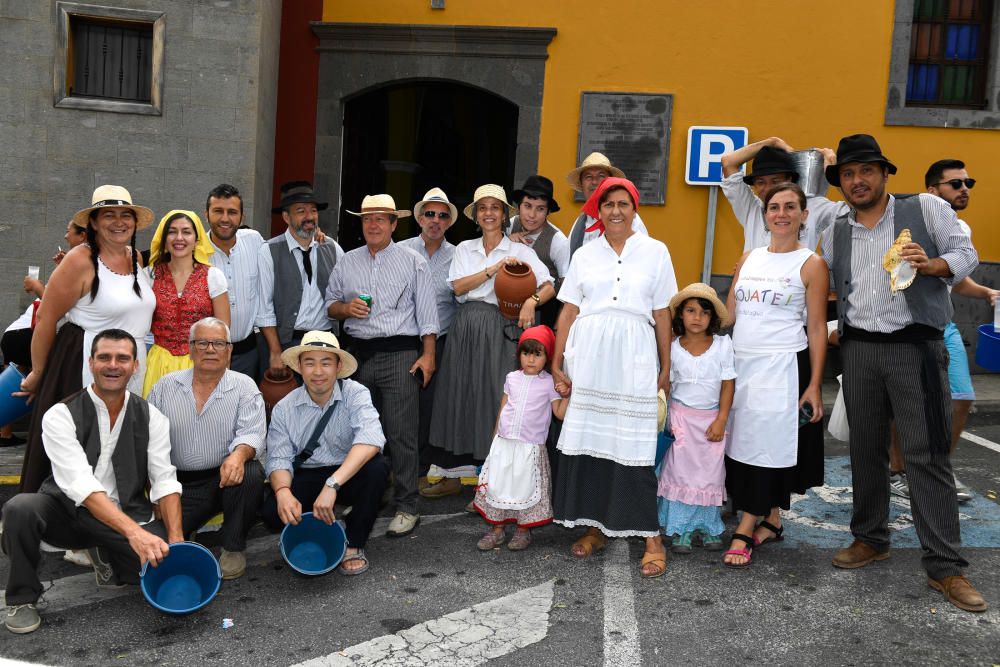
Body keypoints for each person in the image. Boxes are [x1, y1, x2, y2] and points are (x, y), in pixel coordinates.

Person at [821, 134, 986, 612]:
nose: (857, 181)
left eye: (866, 171)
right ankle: (871, 537)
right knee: (865, 451)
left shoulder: (927, 210)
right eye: (849, 174)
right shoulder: (836, 228)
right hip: (860, 351)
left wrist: (935, 265)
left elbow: (966, 254)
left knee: (926, 454)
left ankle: (945, 566)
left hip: (916, 347)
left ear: (884, 173)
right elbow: (830, 283)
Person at [2, 330, 183, 634]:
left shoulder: (152, 417)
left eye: (122, 358)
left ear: (135, 366)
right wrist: (135, 535)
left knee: (159, 564)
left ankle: (103, 551)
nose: (113, 365)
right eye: (104, 357)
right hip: (66, 510)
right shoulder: (60, 414)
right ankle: (22, 597)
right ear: (91, 362)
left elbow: (164, 479)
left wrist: (177, 541)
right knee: (19, 509)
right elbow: (81, 485)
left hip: (124, 510)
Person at [550, 177, 676, 578]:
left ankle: (651, 537)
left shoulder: (656, 251)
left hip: (634, 352)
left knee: (635, 445)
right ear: (598, 211)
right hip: (589, 355)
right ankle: (596, 525)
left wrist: (666, 366)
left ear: (635, 208)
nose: (616, 211)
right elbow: (569, 310)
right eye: (608, 205)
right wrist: (557, 361)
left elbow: (661, 313)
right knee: (593, 442)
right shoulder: (586, 254)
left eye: (623, 204)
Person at [17, 186, 157, 493]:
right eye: (109, 215)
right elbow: (46, 318)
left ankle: (109, 518)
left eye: (125, 215)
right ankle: (62, 525)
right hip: (84, 362)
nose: (119, 222)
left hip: (130, 366)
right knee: (80, 447)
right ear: (93, 222)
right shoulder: (80, 260)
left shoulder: (134, 257)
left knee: (116, 447)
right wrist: (39, 373)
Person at [421, 185, 555, 499]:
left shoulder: (521, 250)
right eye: (483, 208)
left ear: (504, 213)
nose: (489, 213)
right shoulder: (464, 249)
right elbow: (457, 287)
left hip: (501, 326)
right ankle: (459, 473)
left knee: (496, 397)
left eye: (495, 207)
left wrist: (532, 301)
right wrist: (491, 269)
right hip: (466, 324)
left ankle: (493, 479)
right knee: (462, 394)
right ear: (476, 215)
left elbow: (548, 284)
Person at [723, 184, 828, 568]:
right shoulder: (749, 257)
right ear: (765, 215)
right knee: (741, 442)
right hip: (741, 364)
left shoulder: (811, 264)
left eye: (790, 207)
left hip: (782, 367)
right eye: (773, 207)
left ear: (804, 215)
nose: (780, 213)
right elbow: (729, 315)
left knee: (767, 446)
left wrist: (815, 384)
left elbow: (816, 327)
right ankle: (772, 518)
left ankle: (746, 524)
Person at [326, 194, 439, 538]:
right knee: (358, 431)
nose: (373, 224)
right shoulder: (346, 261)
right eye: (367, 219)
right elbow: (330, 305)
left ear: (393, 224)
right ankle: (364, 495)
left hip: (401, 353)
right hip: (357, 355)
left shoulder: (412, 261)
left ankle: (407, 505)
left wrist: (428, 355)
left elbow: (428, 313)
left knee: (401, 432)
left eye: (381, 219)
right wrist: (346, 310)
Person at [888, 159, 996, 503]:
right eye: (956, 184)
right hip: (910, 324)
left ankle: (937, 470)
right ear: (933, 192)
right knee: (905, 403)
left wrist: (988, 292)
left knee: (961, 398)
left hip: (944, 324)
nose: (965, 189)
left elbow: (956, 281)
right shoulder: (912, 223)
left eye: (969, 183)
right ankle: (897, 471)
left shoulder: (960, 229)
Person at [261, 331, 389, 576]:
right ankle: (322, 523)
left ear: (339, 366)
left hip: (347, 471)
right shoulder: (285, 408)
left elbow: (371, 440)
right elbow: (278, 458)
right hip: (308, 473)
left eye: (326, 362)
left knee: (377, 469)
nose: (317, 371)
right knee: (272, 512)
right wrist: (283, 492)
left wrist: (332, 485)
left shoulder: (356, 393)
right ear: (299, 366)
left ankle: (354, 543)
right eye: (310, 362)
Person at [147, 317, 266, 580]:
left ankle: (233, 546)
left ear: (229, 350)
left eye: (218, 343)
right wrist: (155, 493)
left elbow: (252, 434)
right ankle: (183, 528)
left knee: (251, 472)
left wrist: (238, 454)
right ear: (190, 349)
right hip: (176, 486)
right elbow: (148, 445)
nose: (210, 349)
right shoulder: (165, 387)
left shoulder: (244, 386)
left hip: (223, 479)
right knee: (152, 551)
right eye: (202, 343)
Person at [657, 284, 735, 554]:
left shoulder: (723, 346)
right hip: (681, 419)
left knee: (709, 475)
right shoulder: (673, 348)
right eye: (690, 311)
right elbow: (666, 385)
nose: (697, 317)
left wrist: (722, 418)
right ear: (680, 315)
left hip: (711, 420)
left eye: (704, 312)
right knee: (680, 474)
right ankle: (681, 529)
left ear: (712, 318)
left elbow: (728, 384)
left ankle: (707, 526)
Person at [474, 325, 567, 551]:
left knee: (524, 487)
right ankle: (497, 530)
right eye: (526, 353)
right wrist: (495, 437)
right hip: (505, 443)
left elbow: (559, 414)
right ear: (519, 355)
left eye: (538, 354)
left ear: (548, 356)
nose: (531, 360)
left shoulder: (549, 383)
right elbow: (504, 406)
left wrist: (569, 394)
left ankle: (523, 531)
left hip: (530, 446)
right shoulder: (511, 378)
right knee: (500, 485)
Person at [1, 220, 88, 447]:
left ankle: (6, 433)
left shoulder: (81, 263)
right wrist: (38, 285)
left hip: (18, 335)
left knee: (24, 384)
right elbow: (54, 306)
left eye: (68, 232)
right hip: (24, 335)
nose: (65, 236)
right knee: (39, 383)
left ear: (83, 235)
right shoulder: (78, 263)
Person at [398, 188, 459, 489]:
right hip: (407, 340)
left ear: (449, 222)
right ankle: (397, 469)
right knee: (401, 407)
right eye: (430, 214)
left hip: (443, 342)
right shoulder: (400, 250)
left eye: (442, 215)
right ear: (420, 218)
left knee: (432, 408)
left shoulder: (459, 256)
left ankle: (422, 471)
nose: (435, 220)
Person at [258, 181, 344, 379]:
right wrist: (275, 351)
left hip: (325, 342)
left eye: (313, 211)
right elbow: (264, 308)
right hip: (288, 343)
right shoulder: (269, 251)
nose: (309, 217)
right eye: (301, 211)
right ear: (286, 217)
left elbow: (349, 287)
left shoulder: (332, 248)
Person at [142, 210, 230, 397]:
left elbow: (224, 333)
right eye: (172, 232)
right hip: (159, 362)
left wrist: (224, 375)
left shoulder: (213, 276)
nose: (179, 238)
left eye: (186, 232)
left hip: (202, 363)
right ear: (164, 238)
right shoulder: (149, 275)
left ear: (197, 239)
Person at [720, 136, 845, 252]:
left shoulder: (812, 206)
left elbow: (856, 212)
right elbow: (728, 162)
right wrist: (772, 142)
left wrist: (834, 176)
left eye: (775, 181)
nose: (768, 188)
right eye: (761, 182)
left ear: (789, 179)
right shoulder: (751, 208)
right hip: (753, 276)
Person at [205, 184, 267, 381]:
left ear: (242, 217)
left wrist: (317, 239)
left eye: (232, 212)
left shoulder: (254, 241)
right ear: (206, 214)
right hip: (207, 355)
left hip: (248, 353)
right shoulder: (195, 251)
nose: (225, 218)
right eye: (218, 211)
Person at [507, 175, 569, 328]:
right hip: (507, 304)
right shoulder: (508, 226)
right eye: (527, 206)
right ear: (518, 207)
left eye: (540, 209)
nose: (532, 215)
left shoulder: (558, 241)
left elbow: (565, 285)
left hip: (543, 312)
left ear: (548, 212)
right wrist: (507, 242)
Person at [565, 153, 648, 256]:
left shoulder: (629, 220)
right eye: (588, 177)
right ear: (582, 184)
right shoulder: (579, 223)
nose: (594, 181)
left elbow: (643, 259)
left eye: (601, 176)